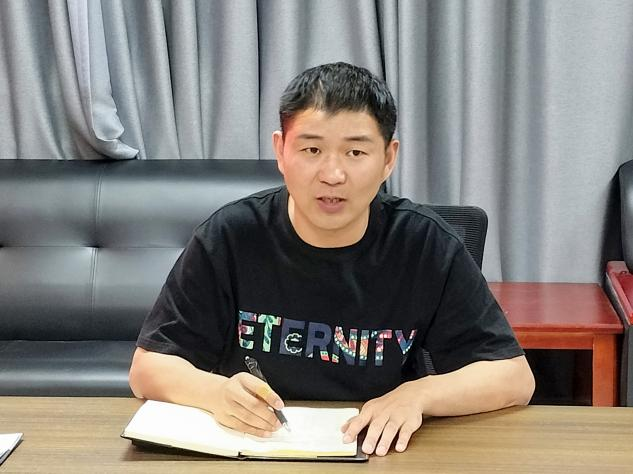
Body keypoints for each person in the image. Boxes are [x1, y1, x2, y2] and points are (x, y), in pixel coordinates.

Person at [129, 62, 535, 457]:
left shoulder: (426, 244)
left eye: (355, 152)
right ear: (281, 151)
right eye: (312, 149)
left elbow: (514, 377)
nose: (333, 174)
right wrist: (216, 392)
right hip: (256, 448)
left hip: (378, 452)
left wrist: (419, 394)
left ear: (388, 159)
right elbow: (148, 368)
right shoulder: (230, 236)